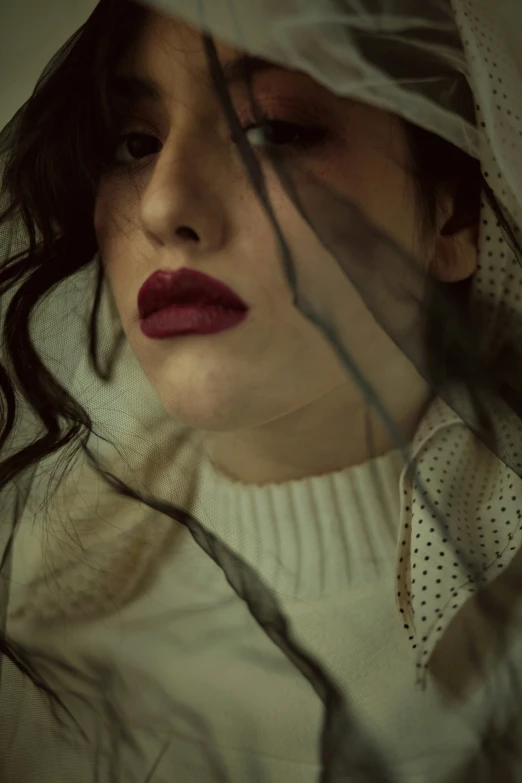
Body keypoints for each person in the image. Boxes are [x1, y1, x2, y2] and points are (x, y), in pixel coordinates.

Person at [1, 0, 522, 781]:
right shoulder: (48, 569)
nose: (163, 203)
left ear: (453, 221)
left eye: (272, 130)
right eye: (133, 143)